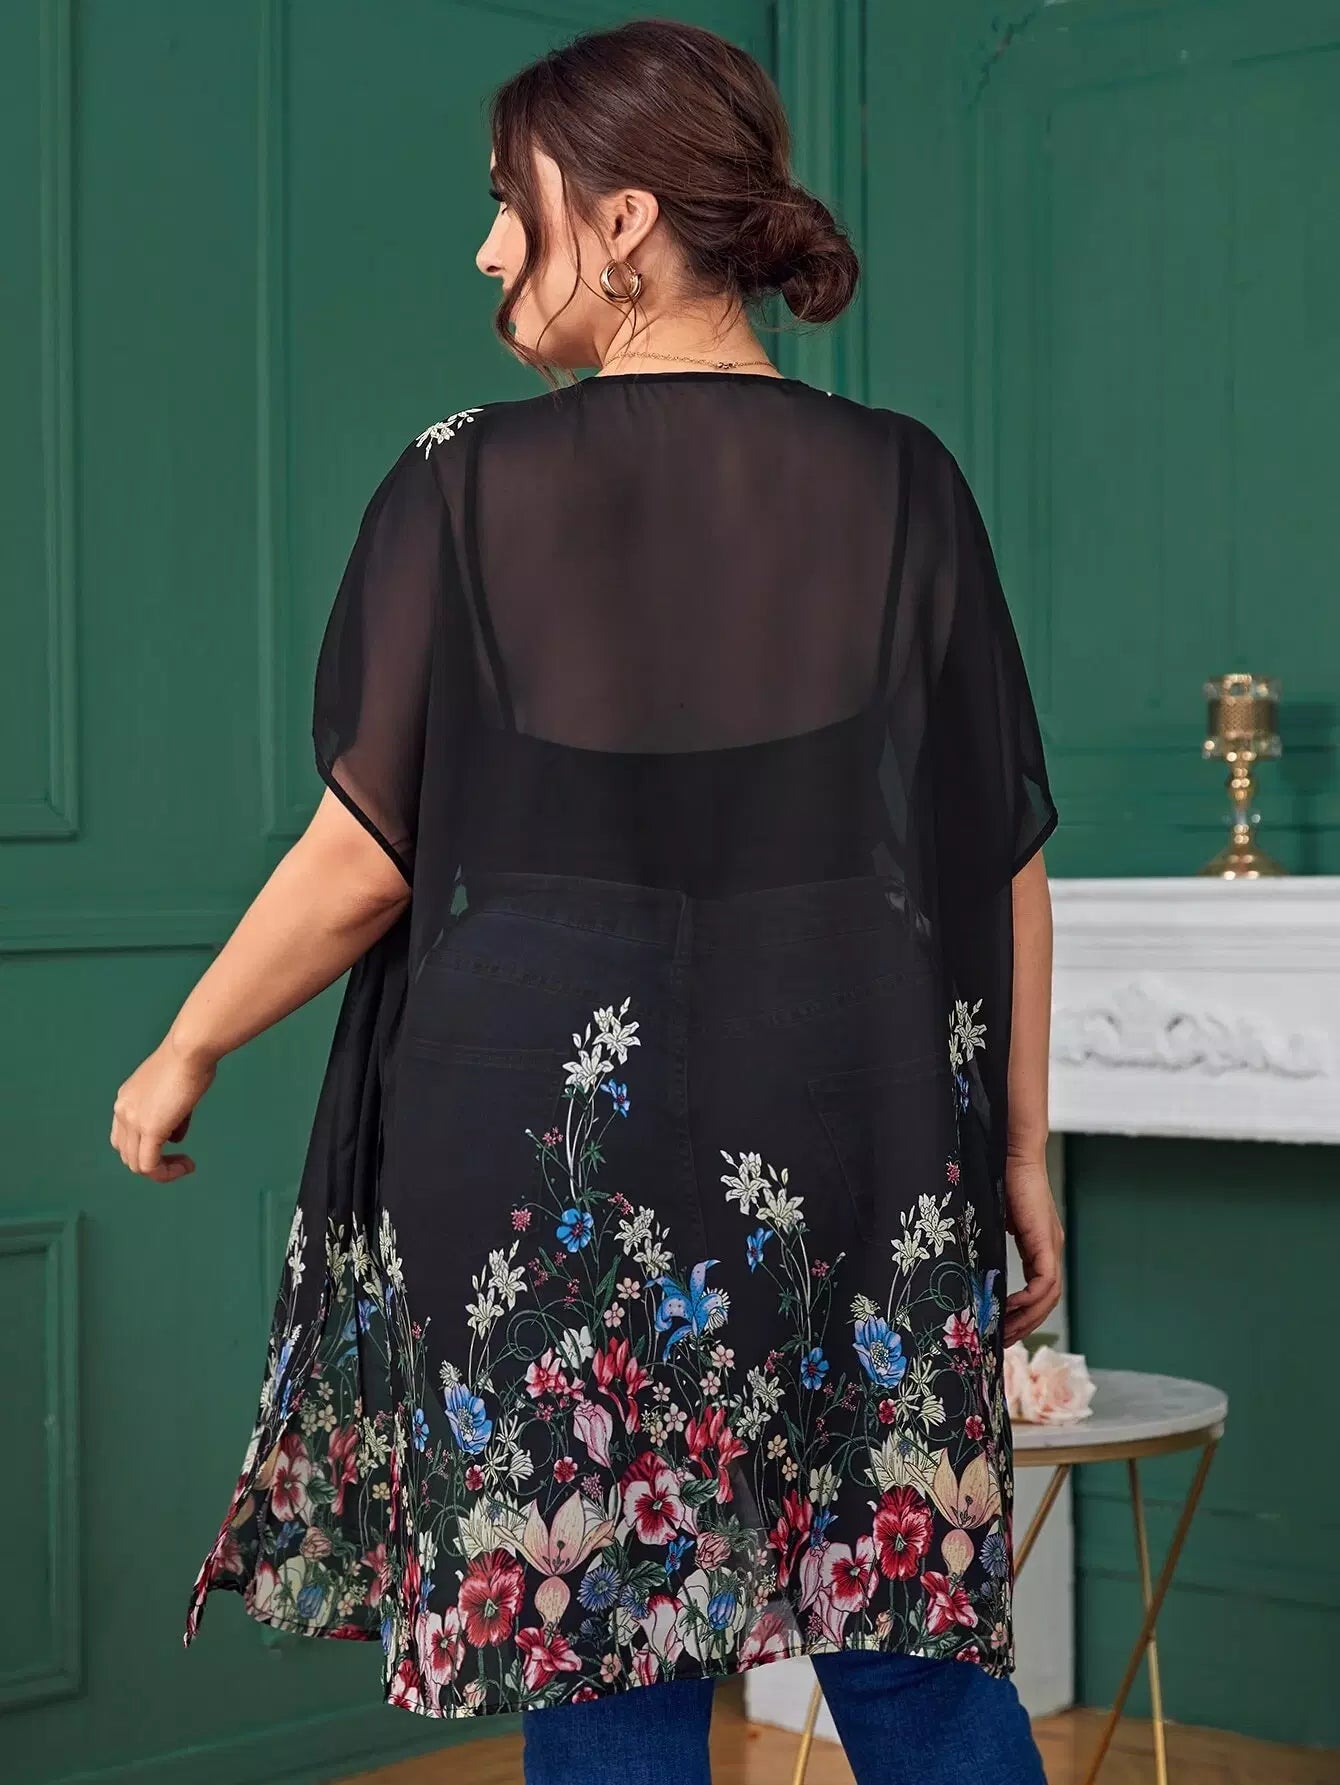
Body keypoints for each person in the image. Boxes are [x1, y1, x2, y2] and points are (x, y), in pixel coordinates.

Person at [112, 18, 1061, 1785]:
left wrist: (188, 1043)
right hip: (854, 1143)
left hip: (550, 1160)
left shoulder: (465, 480)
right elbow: (1000, 847)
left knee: (603, 1650)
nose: (487, 251)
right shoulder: (908, 482)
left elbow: (364, 854)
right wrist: (1017, 1146)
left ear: (622, 222)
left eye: (510, 202)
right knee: (909, 1640)